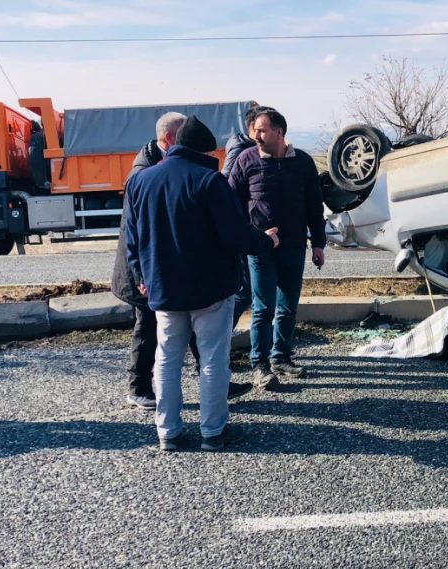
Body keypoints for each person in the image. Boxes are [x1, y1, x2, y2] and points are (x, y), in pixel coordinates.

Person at [124, 116, 279, 452]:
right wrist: (268, 242)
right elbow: (235, 235)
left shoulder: (140, 180)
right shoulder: (209, 181)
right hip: (210, 288)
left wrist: (142, 278)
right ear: (204, 150)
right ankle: (213, 432)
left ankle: (169, 434)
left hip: (163, 289)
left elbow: (132, 239)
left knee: (166, 360)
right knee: (212, 360)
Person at [112, 112, 252, 410]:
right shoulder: (145, 171)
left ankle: (203, 396)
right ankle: (138, 387)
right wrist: (141, 276)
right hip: (150, 272)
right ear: (169, 139)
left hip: (163, 270)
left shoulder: (155, 167)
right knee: (150, 333)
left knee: (179, 341)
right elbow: (133, 232)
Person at [227, 109, 326, 391]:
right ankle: (259, 365)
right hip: (260, 248)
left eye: (261, 130)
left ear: (279, 132)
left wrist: (318, 243)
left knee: (287, 307)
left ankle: (281, 357)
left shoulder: (304, 162)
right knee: (262, 308)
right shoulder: (247, 159)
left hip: (294, 246)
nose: (255, 136)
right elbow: (231, 202)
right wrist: (246, 236)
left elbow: (314, 206)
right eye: (254, 130)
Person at [222, 103, 274, 328]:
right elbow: (227, 191)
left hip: (249, 230)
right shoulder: (241, 150)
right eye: (262, 128)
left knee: (249, 292)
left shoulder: (246, 146)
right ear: (252, 126)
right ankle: (218, 343)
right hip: (245, 231)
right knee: (243, 293)